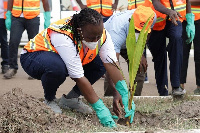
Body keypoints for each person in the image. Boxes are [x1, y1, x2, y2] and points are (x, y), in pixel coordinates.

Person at [20, 8, 135, 127]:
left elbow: (111, 64)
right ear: (80, 31)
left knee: (100, 64)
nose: (96, 40)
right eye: (91, 38)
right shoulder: (64, 35)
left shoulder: (101, 34)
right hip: (33, 57)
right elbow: (78, 76)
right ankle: (49, 99)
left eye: (98, 36)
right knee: (57, 68)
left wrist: (123, 93)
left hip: (61, 57)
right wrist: (100, 108)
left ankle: (70, 100)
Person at [143, 0, 194, 96]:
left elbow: (187, 1)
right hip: (156, 22)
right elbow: (156, 3)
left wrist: (190, 19)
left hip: (175, 19)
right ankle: (163, 92)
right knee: (159, 58)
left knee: (177, 39)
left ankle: (176, 86)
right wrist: (169, 11)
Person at [104, 5, 156, 97]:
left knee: (140, 67)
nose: (139, 33)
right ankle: (110, 98)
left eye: (142, 31)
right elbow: (112, 65)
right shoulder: (117, 29)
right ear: (130, 21)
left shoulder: (151, 16)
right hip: (110, 43)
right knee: (112, 72)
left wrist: (139, 53)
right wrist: (118, 92)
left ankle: (134, 99)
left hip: (131, 43)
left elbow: (148, 34)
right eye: (137, 30)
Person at [4, 0, 51, 79]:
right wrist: (8, 14)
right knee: (13, 42)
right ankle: (12, 67)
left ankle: (33, 69)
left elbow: (45, 1)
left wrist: (47, 16)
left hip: (33, 17)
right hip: (16, 17)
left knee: (33, 45)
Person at [180, 0, 200, 94]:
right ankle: (179, 86)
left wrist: (186, 1)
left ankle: (199, 87)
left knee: (199, 54)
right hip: (182, 20)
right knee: (181, 54)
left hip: (198, 19)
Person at [0, 0, 9, 74]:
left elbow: (7, 3)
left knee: (3, 41)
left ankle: (5, 64)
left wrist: (8, 17)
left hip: (2, 18)